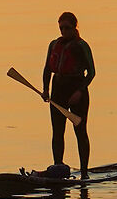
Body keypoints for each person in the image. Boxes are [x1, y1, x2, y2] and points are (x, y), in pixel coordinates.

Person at [40, 12, 95, 173]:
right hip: (58, 92)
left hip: (77, 91)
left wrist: (79, 91)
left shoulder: (81, 46)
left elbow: (91, 73)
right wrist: (45, 90)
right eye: (61, 28)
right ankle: (58, 168)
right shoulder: (53, 44)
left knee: (80, 131)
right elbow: (47, 69)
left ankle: (84, 171)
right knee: (57, 131)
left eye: (67, 28)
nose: (63, 31)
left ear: (74, 27)